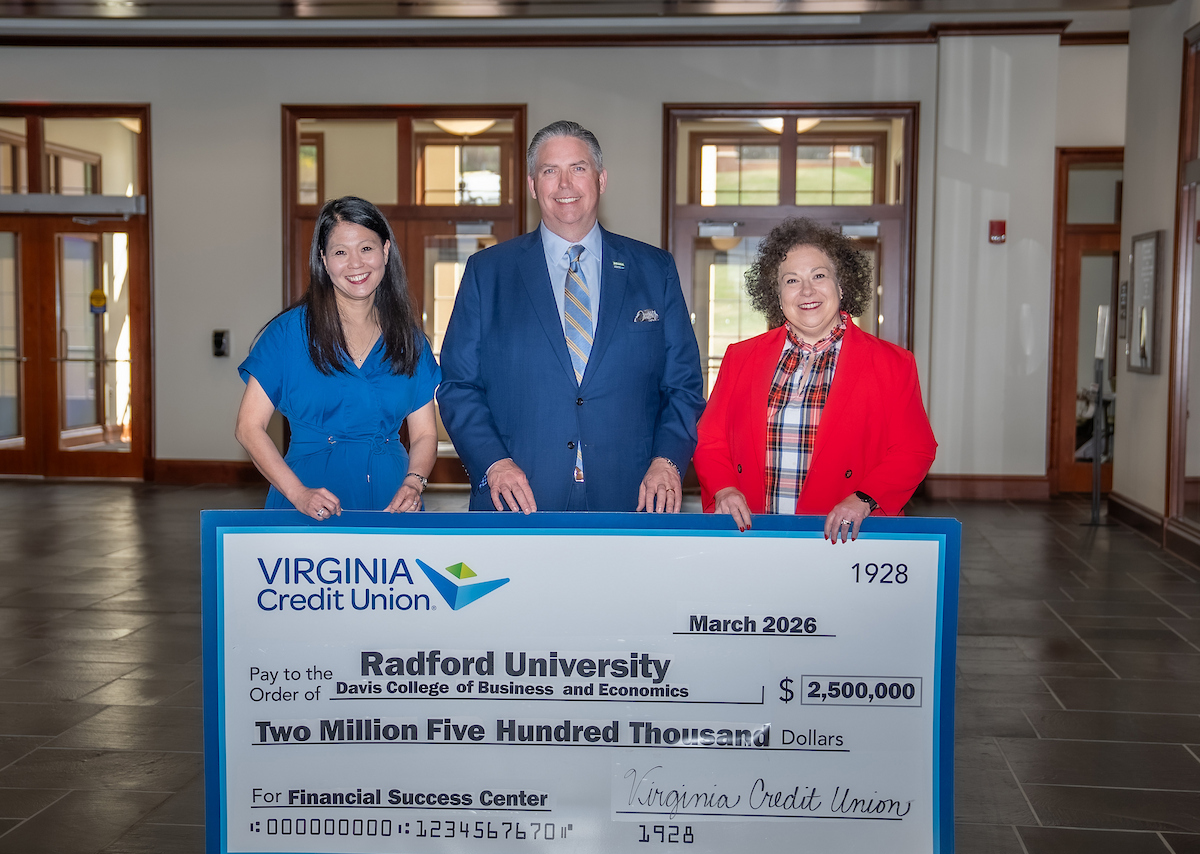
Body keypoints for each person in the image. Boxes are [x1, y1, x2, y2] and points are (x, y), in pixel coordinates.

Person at [438, 120, 705, 513]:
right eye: (550, 171)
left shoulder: (654, 269)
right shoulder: (488, 272)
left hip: (632, 498)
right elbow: (458, 386)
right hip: (516, 499)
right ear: (533, 185)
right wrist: (493, 463)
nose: (565, 184)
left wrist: (667, 461)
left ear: (601, 179)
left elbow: (683, 384)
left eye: (578, 168)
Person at [693, 217, 936, 542]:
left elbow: (914, 449)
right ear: (776, 294)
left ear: (841, 285)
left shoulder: (893, 364)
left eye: (819, 276)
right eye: (791, 280)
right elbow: (710, 439)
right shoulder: (741, 357)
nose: (807, 290)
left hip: (847, 539)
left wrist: (864, 498)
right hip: (753, 534)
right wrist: (724, 488)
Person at [235, 196, 440, 519]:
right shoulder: (288, 333)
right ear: (324, 259)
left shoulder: (409, 340)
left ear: (386, 251)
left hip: (393, 501)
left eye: (366, 248)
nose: (356, 264)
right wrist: (298, 493)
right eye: (340, 252)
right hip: (306, 499)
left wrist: (415, 482)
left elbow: (425, 434)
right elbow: (249, 427)